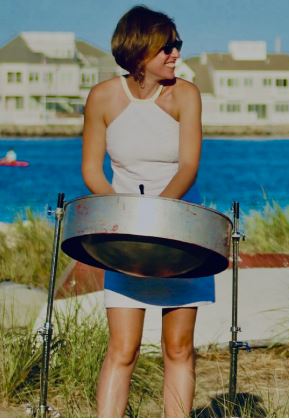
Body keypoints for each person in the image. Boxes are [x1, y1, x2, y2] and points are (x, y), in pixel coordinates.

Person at [81, 6, 209, 417]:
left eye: (177, 45)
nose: (176, 54)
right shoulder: (102, 97)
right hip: (126, 237)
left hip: (180, 233)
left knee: (179, 347)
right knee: (122, 348)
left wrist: (157, 217)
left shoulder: (186, 94)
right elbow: (91, 170)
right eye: (166, 47)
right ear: (139, 50)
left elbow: (188, 167)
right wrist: (126, 218)